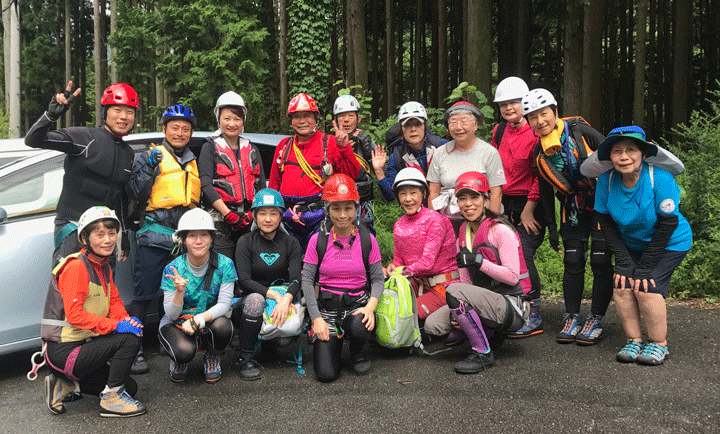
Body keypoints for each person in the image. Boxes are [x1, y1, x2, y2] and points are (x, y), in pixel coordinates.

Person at [584, 126, 692, 365]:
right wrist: (623, 260)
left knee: (646, 285)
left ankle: (659, 344)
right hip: (631, 242)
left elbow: (668, 224)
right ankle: (634, 340)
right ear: (609, 157)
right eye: (617, 151)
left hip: (670, 241)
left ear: (643, 153)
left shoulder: (660, 178)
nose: (624, 157)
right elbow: (604, 221)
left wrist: (645, 266)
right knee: (621, 285)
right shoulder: (606, 180)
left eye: (631, 150)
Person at [521, 88, 613, 345]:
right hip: (572, 207)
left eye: (544, 114)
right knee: (572, 261)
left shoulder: (579, 131)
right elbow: (545, 192)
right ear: (528, 122)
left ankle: (595, 318)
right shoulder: (539, 153)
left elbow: (611, 151)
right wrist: (552, 229)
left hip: (601, 201)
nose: (540, 121)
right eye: (533, 117)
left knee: (600, 261)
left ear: (555, 112)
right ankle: (571, 316)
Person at [41, 206, 146, 417]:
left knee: (131, 388)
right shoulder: (76, 267)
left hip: (85, 347)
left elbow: (114, 302)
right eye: (100, 234)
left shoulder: (104, 266)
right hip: (64, 351)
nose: (107, 240)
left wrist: (127, 320)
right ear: (85, 239)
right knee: (129, 340)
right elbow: (75, 316)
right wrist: (118, 326)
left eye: (112, 233)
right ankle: (112, 399)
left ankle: (65, 386)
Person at [424, 172, 530, 374]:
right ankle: (488, 333)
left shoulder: (500, 230)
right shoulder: (462, 234)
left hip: (511, 305)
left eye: (474, 197)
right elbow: (465, 284)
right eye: (462, 198)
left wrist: (479, 262)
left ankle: (483, 352)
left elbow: (512, 276)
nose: (468, 204)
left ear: (486, 199)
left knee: (454, 290)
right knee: (432, 327)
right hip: (485, 303)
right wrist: (459, 311)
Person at [25, 81, 139, 265]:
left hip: (106, 236)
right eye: (117, 110)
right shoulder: (85, 138)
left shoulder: (128, 153)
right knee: (68, 291)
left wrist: (123, 233)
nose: (123, 117)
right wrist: (51, 115)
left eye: (130, 112)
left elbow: (121, 197)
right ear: (105, 112)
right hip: (73, 229)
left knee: (104, 292)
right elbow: (33, 140)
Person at [126, 103, 201, 373]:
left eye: (185, 129)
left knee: (174, 294)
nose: (180, 133)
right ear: (164, 129)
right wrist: (148, 167)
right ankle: (132, 351)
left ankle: (166, 339)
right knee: (144, 295)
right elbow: (135, 191)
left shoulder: (192, 160)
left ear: (190, 132)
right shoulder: (150, 156)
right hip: (154, 235)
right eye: (174, 128)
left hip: (183, 239)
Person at [301, 174, 383, 382]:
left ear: (356, 208)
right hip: (327, 310)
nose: (343, 215)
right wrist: (316, 319)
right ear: (327, 209)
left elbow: (377, 279)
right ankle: (334, 344)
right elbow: (307, 281)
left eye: (348, 208)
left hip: (357, 306)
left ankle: (358, 352)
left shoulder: (367, 239)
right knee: (326, 374)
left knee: (357, 325)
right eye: (336, 208)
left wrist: (370, 308)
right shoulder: (317, 240)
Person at [268, 93, 360, 250]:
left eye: (307, 116)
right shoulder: (284, 146)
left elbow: (351, 175)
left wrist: (344, 148)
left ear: (315, 118)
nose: (302, 121)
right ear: (291, 120)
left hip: (320, 216)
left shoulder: (330, 142)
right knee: (291, 263)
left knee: (318, 261)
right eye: (297, 117)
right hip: (288, 217)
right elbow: (274, 183)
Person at [491, 77, 545, 338]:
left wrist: (529, 209)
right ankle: (513, 303)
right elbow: (494, 166)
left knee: (523, 251)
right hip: (505, 201)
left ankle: (533, 308)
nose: (509, 107)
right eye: (504, 104)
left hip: (533, 202)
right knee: (504, 253)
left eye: (514, 102)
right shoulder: (499, 131)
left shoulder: (536, 132)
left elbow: (540, 174)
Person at [158, 208, 236, 382]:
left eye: (204, 235)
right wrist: (179, 292)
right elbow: (171, 314)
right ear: (184, 240)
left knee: (224, 326)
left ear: (211, 238)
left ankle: (212, 356)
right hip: (178, 321)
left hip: (208, 317)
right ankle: (178, 361)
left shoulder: (225, 264)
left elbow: (224, 304)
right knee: (183, 351)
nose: (199, 241)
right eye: (192, 236)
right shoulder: (173, 269)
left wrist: (198, 320)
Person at [233, 188, 302, 380]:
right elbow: (244, 280)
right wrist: (274, 295)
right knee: (255, 299)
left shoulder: (291, 243)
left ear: (281, 216)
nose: (268, 219)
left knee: (283, 340)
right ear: (255, 216)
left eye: (273, 213)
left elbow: (297, 278)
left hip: (280, 301)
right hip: (251, 299)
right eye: (262, 213)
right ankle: (245, 358)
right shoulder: (245, 242)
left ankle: (267, 344)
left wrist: (286, 299)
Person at [386, 167, 459, 324]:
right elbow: (398, 261)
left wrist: (400, 271)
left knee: (403, 315)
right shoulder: (399, 224)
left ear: (423, 194)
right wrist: (393, 268)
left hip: (442, 286)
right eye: (403, 193)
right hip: (417, 283)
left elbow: (427, 263)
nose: (408, 199)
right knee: (386, 306)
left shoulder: (435, 220)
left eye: (413, 192)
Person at [198, 91, 266, 259]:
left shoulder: (252, 149)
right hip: (220, 220)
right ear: (218, 119)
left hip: (249, 221)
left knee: (247, 271)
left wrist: (253, 214)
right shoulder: (209, 147)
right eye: (227, 118)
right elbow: (206, 185)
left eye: (237, 119)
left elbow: (261, 185)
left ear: (243, 121)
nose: (232, 124)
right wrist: (228, 213)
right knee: (223, 270)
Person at [427, 101, 506, 228]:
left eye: (464, 121)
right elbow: (433, 191)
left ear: (475, 125)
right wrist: (434, 224)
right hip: (447, 220)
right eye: (453, 122)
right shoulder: (440, 153)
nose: (458, 127)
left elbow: (496, 193)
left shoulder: (489, 153)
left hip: (481, 218)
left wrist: (491, 225)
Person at [371, 101, 443, 202]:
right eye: (407, 125)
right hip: (417, 211)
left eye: (417, 124)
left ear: (424, 126)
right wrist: (379, 171)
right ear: (401, 129)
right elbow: (391, 196)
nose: (413, 129)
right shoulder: (397, 157)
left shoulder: (441, 146)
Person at [332, 94, 377, 230]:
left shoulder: (366, 141)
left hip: (362, 201)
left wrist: (367, 149)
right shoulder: (329, 143)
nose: (346, 120)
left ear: (358, 119)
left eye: (350, 116)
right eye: (341, 116)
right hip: (339, 201)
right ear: (335, 120)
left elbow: (378, 171)